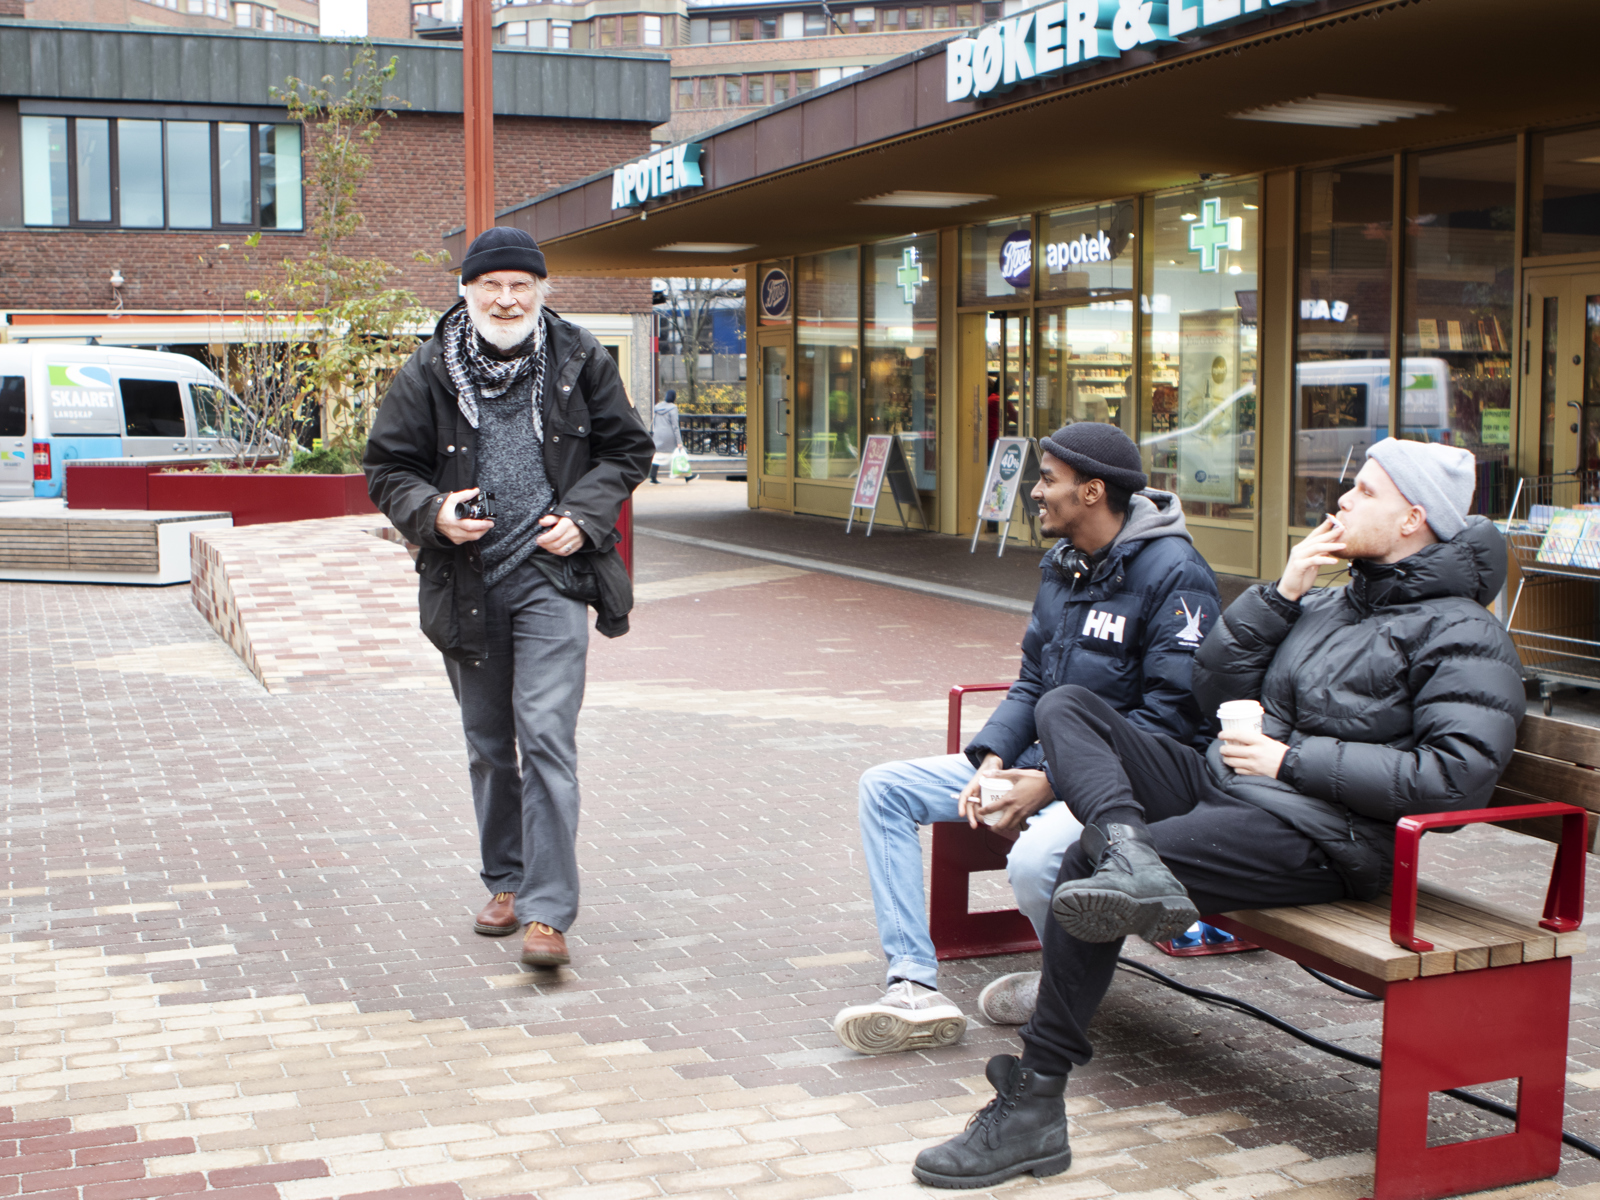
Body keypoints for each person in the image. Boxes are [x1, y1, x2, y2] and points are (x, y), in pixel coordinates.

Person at [911, 439, 1525, 1189]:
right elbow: (1212, 687)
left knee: (1086, 863)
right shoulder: (1330, 601)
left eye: (1363, 491)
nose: (1341, 502)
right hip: (1235, 788)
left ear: (1412, 519)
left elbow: (1454, 779)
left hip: (1324, 839)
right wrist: (1286, 589)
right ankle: (1130, 849)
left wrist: (1289, 761)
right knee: (1071, 706)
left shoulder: (1465, 632)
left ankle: (1034, 1107)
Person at [834, 423, 1221, 1055]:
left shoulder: (1176, 575)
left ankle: (1067, 987)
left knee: (1037, 859)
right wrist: (992, 764)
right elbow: (1034, 681)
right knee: (885, 789)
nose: (1035, 492)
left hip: (1123, 783)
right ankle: (912, 984)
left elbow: (1171, 719)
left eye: (1048, 480)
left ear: (1092, 491)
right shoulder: (1063, 566)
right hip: (1042, 762)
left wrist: (1050, 784)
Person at [364, 227, 652, 969]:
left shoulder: (580, 357)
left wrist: (584, 519)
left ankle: (549, 913)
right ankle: (507, 881)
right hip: (465, 582)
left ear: (541, 291)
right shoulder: (427, 369)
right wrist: (434, 514)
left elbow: (628, 449)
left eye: (521, 284)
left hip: (551, 580)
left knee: (547, 736)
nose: (506, 297)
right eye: (491, 284)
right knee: (490, 747)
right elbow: (387, 468)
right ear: (466, 291)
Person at [649, 389, 694, 483]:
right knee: (680, 453)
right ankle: (687, 476)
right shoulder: (673, 408)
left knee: (657, 455)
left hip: (657, 435)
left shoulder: (657, 407)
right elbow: (675, 426)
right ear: (674, 397)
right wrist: (679, 442)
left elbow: (654, 422)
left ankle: (653, 477)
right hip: (669, 436)